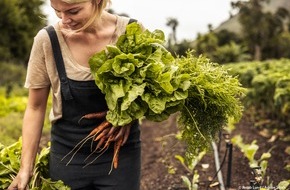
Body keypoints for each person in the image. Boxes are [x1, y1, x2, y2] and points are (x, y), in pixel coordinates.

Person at [8, 0, 142, 189]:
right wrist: (25, 168)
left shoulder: (131, 32)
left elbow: (148, 92)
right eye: (57, 12)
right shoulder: (47, 40)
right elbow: (35, 107)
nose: (64, 20)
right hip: (67, 157)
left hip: (120, 156)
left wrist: (127, 115)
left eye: (73, 11)